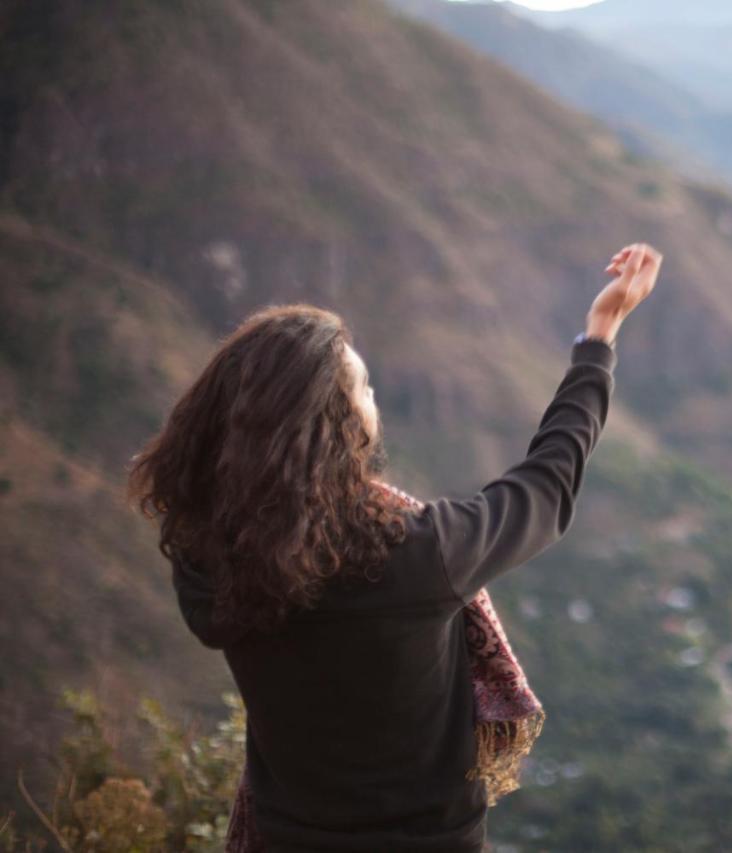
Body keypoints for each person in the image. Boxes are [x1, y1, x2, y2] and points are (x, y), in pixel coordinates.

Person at [126, 243, 663, 851]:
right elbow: (546, 486)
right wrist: (598, 340)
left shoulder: (205, 554)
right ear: (337, 424)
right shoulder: (416, 555)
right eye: (363, 389)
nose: (373, 400)